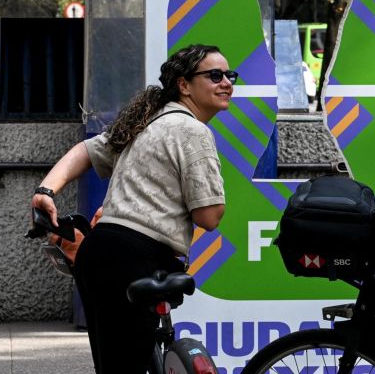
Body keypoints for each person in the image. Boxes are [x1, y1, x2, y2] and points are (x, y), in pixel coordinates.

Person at [30, 44, 232, 374]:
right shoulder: (193, 131)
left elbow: (85, 151)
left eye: (229, 75)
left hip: (99, 253)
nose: (226, 82)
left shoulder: (146, 120)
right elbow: (209, 217)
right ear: (184, 85)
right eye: (214, 75)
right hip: (136, 258)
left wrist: (45, 190)